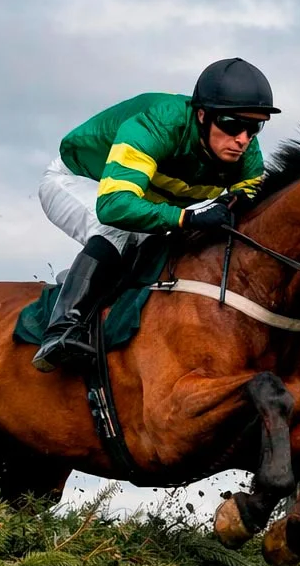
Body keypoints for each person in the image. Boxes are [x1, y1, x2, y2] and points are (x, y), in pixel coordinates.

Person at [32, 58, 280, 373]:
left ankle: (95, 283)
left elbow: (249, 206)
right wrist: (187, 219)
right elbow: (114, 205)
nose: (243, 139)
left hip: (144, 196)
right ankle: (62, 327)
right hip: (82, 182)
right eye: (232, 124)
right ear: (202, 115)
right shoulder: (158, 124)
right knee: (118, 230)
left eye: (254, 127)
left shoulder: (246, 153)